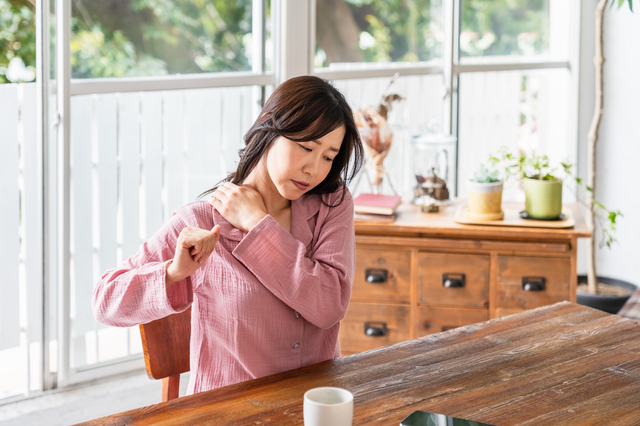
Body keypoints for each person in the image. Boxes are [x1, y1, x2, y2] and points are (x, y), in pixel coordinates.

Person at [92, 75, 364, 395]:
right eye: (306, 147)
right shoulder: (202, 220)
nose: (314, 169)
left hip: (315, 403)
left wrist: (257, 222)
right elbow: (105, 302)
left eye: (328, 157)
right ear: (268, 125)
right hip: (231, 408)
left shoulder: (332, 203)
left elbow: (329, 306)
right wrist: (175, 273)